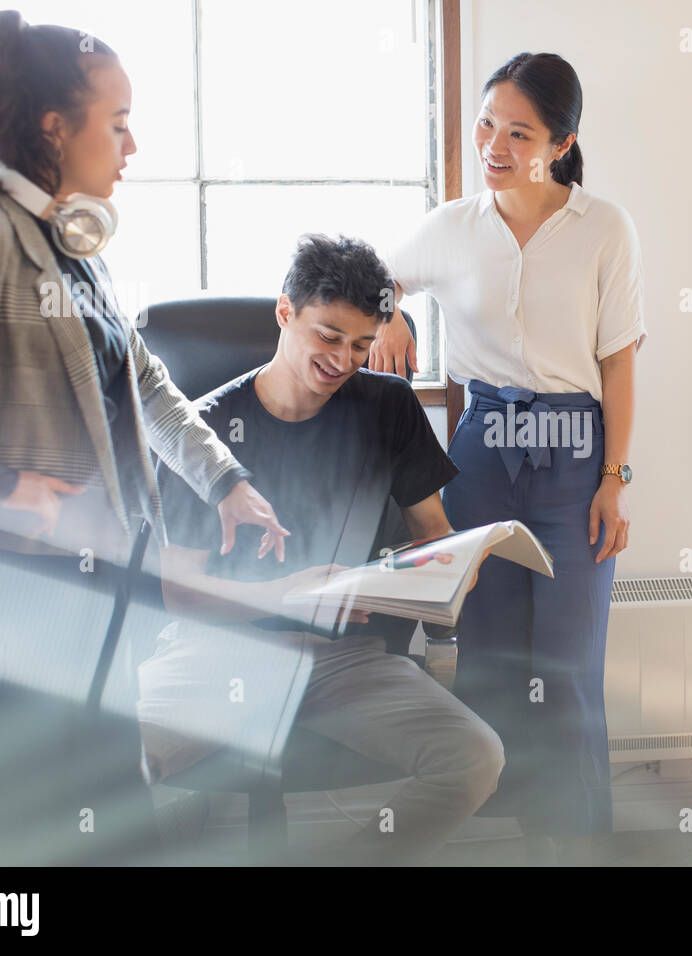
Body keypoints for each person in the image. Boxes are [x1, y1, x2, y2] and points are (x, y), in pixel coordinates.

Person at [0, 11, 288, 864]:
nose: (132, 145)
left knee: (110, 819)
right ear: (53, 127)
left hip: (98, 592)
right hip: (8, 595)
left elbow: (144, 383)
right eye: (118, 122)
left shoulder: (78, 252)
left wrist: (225, 483)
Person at [137, 234, 504, 866]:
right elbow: (176, 591)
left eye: (362, 345)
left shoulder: (387, 407)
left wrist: (450, 570)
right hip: (219, 649)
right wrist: (284, 597)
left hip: (342, 660)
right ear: (286, 314)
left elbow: (433, 531)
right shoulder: (204, 430)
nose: (344, 360)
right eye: (328, 337)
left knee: (474, 759)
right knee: (104, 759)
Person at [370, 52, 646, 861]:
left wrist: (613, 480)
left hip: (573, 456)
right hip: (483, 453)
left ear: (560, 143)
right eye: (486, 124)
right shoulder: (452, 226)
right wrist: (394, 317)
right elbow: (371, 281)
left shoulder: (605, 229)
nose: (493, 143)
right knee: (490, 660)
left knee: (566, 670)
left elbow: (620, 363)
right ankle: (518, 836)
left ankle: (581, 841)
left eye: (517, 132)